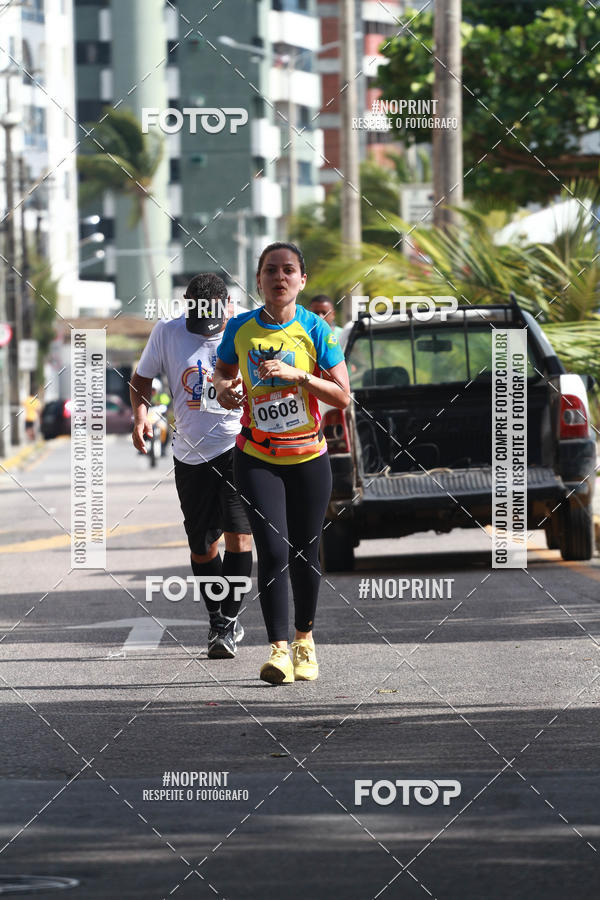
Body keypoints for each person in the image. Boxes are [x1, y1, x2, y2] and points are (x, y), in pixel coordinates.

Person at [214, 243, 350, 684]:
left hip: (309, 455)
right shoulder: (239, 329)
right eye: (271, 270)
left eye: (289, 270)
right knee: (272, 550)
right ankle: (277, 651)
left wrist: (301, 377)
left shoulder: (317, 330)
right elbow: (222, 376)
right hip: (256, 456)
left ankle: (304, 640)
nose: (280, 277)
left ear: (302, 280)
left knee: (304, 553)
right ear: (259, 280)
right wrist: (225, 391)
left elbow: (343, 397)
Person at [130, 273, 253, 660]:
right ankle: (219, 613)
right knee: (202, 547)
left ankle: (226, 624)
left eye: (213, 324)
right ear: (186, 305)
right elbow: (140, 379)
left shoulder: (245, 327)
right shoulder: (166, 333)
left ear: (226, 306)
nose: (206, 331)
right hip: (189, 454)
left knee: (240, 536)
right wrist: (141, 416)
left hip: (237, 446)